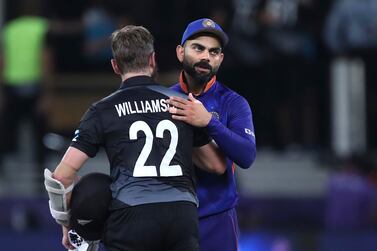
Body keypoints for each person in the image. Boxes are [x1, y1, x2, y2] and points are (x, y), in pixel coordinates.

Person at [44, 25, 226, 251]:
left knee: (92, 185)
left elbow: (61, 176)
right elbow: (217, 165)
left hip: (132, 215)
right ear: (152, 60)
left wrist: (70, 225)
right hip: (182, 215)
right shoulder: (181, 104)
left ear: (115, 66)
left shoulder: (102, 110)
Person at [167, 18, 257, 251]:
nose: (206, 56)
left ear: (221, 59)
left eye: (214, 52)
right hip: (170, 218)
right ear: (180, 52)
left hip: (217, 219)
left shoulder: (233, 102)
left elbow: (247, 156)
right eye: (198, 48)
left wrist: (208, 121)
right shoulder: (163, 99)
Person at [0, 0, 53, 174]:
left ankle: (5, 176)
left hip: (12, 85)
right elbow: (46, 60)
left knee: (8, 134)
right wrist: (46, 94)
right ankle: (40, 178)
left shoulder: (9, 29)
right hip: (34, 85)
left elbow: (3, 60)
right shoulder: (42, 27)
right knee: (39, 137)